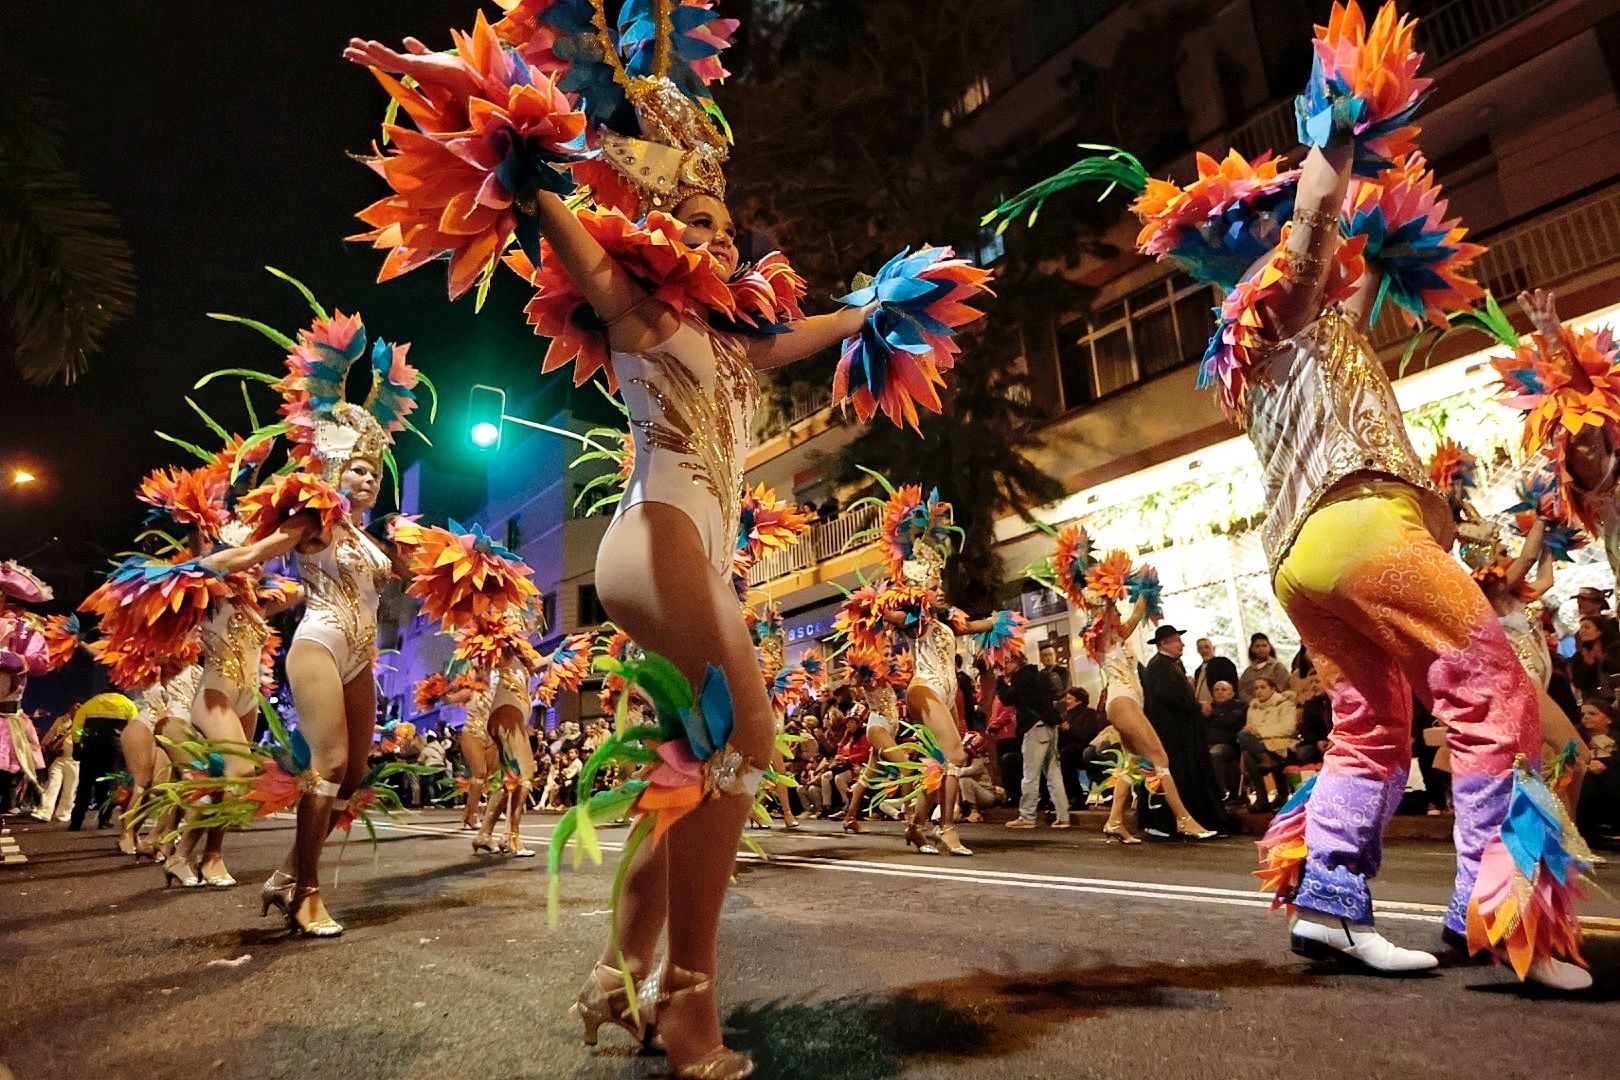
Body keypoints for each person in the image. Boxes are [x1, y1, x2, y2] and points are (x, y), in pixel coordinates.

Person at [341, 9, 975, 1070]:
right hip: (652, 538)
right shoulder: (638, 309)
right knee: (752, 734)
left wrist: (895, 301)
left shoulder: (743, 342)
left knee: (689, 767)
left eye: (728, 221)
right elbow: (544, 200)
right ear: (661, 228)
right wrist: (458, 100)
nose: (719, 233)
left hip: (700, 552)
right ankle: (686, 998)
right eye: (696, 216)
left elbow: (838, 324)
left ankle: (613, 971)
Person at [1043, 533, 1216, 843]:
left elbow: (1136, 614)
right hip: (1122, 701)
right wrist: (1096, 576)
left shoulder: (1117, 634)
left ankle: (1114, 821)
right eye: (1111, 604)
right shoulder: (1100, 630)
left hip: (1130, 699)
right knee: (1160, 758)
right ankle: (1184, 819)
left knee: (1132, 762)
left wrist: (1146, 590)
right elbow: (1107, 602)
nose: (1118, 609)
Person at [1140, 624, 1231, 837]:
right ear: (1164, 644)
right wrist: (1197, 706)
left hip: (1181, 732)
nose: (1181, 644)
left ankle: (1189, 820)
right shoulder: (1159, 666)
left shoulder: (1171, 664)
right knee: (1175, 774)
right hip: (1172, 734)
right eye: (1176, 640)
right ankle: (1166, 822)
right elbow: (1171, 696)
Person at [1001, 650, 1068, 829]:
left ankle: (1027, 816)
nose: (1005, 666)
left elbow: (1007, 699)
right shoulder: (1038, 674)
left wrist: (1000, 680)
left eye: (1006, 662)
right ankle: (1063, 815)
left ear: (1015, 661)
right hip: (1050, 725)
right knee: (1053, 772)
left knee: (1030, 774)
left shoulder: (1022, 678)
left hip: (1035, 727)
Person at [1238, 677, 1298, 810]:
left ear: (1273, 689)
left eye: (1263, 687)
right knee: (1245, 744)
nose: (1259, 691)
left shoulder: (1284, 704)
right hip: (1258, 745)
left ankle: (1264, 798)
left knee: (1248, 748)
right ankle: (1266, 760)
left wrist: (1259, 731)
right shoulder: (1253, 707)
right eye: (1256, 688)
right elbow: (1249, 730)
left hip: (1281, 743)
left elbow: (1288, 728)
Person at [1203, 681, 1246, 801]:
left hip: (1229, 744)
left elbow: (1230, 722)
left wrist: (1213, 714)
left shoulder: (1239, 707)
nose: (1220, 692)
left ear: (1232, 693)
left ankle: (1218, 794)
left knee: (1215, 754)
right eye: (1216, 690)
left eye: (1224, 689)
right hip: (1206, 744)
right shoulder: (1207, 708)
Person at [1238, 633, 1290, 704]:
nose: (1261, 649)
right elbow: (1242, 691)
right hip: (1253, 707)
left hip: (1274, 705)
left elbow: (1283, 687)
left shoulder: (1277, 667)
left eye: (1264, 646)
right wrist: (1253, 702)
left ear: (1270, 648)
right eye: (1257, 646)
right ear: (1252, 649)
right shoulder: (1248, 671)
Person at [1192, 638, 1238, 710]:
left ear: (1213, 648)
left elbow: (1231, 686)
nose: (1204, 650)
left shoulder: (1223, 663)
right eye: (1200, 648)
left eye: (1207, 647)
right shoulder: (1198, 670)